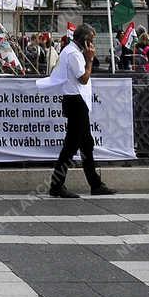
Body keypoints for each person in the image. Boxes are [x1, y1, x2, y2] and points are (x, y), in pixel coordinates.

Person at [39, 24, 116, 199]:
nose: (92, 44)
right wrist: (89, 59)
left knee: (86, 144)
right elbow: (83, 78)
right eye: (90, 40)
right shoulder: (73, 54)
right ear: (83, 39)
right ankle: (56, 185)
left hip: (77, 102)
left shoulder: (72, 51)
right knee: (71, 146)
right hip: (76, 102)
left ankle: (95, 184)